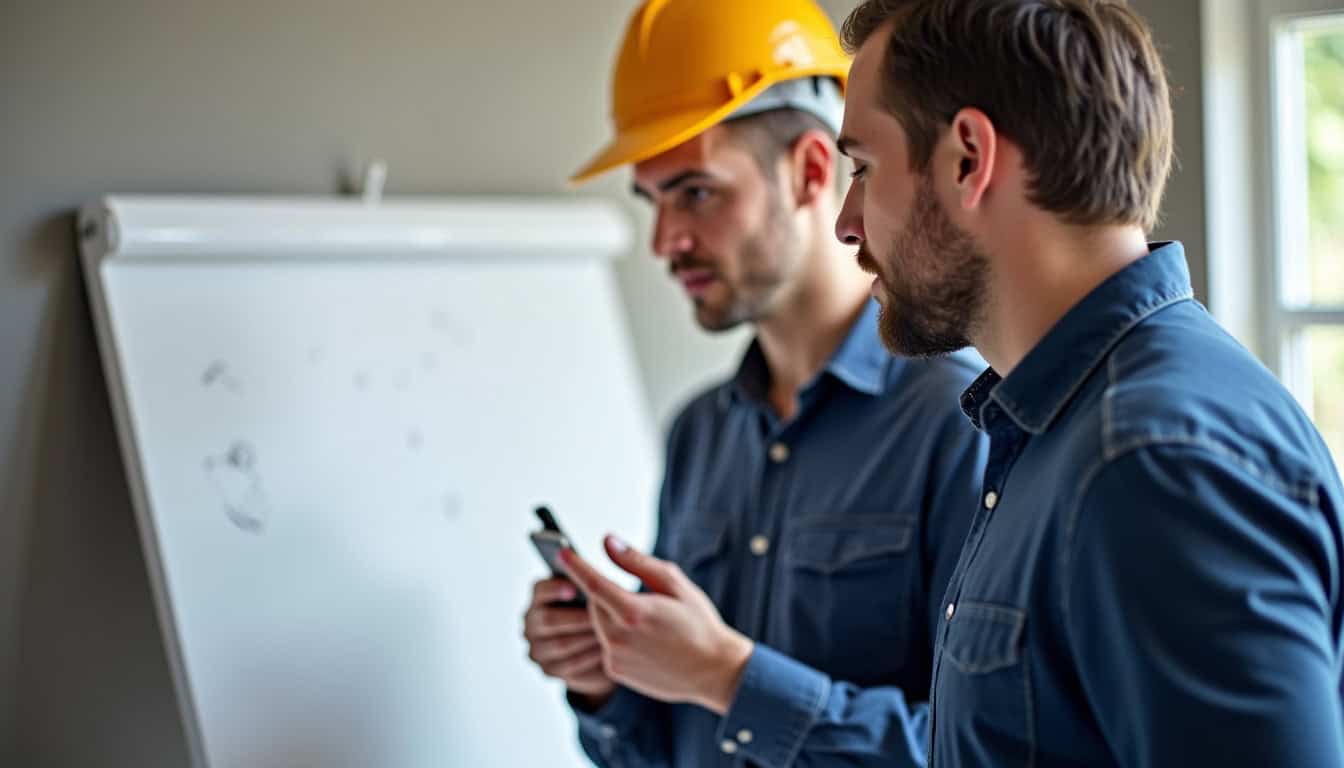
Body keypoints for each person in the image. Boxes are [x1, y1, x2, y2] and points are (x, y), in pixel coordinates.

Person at [834, 1, 1344, 765]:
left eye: (863, 169)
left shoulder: (1151, 462)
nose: (846, 221)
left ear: (968, 157)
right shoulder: (1062, 431)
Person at [521, 1, 987, 766]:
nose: (665, 241)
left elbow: (976, 748)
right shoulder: (699, 434)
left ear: (808, 171)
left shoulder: (957, 424)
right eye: (654, 200)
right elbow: (672, 749)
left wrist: (727, 676)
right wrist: (607, 682)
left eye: (696, 192)